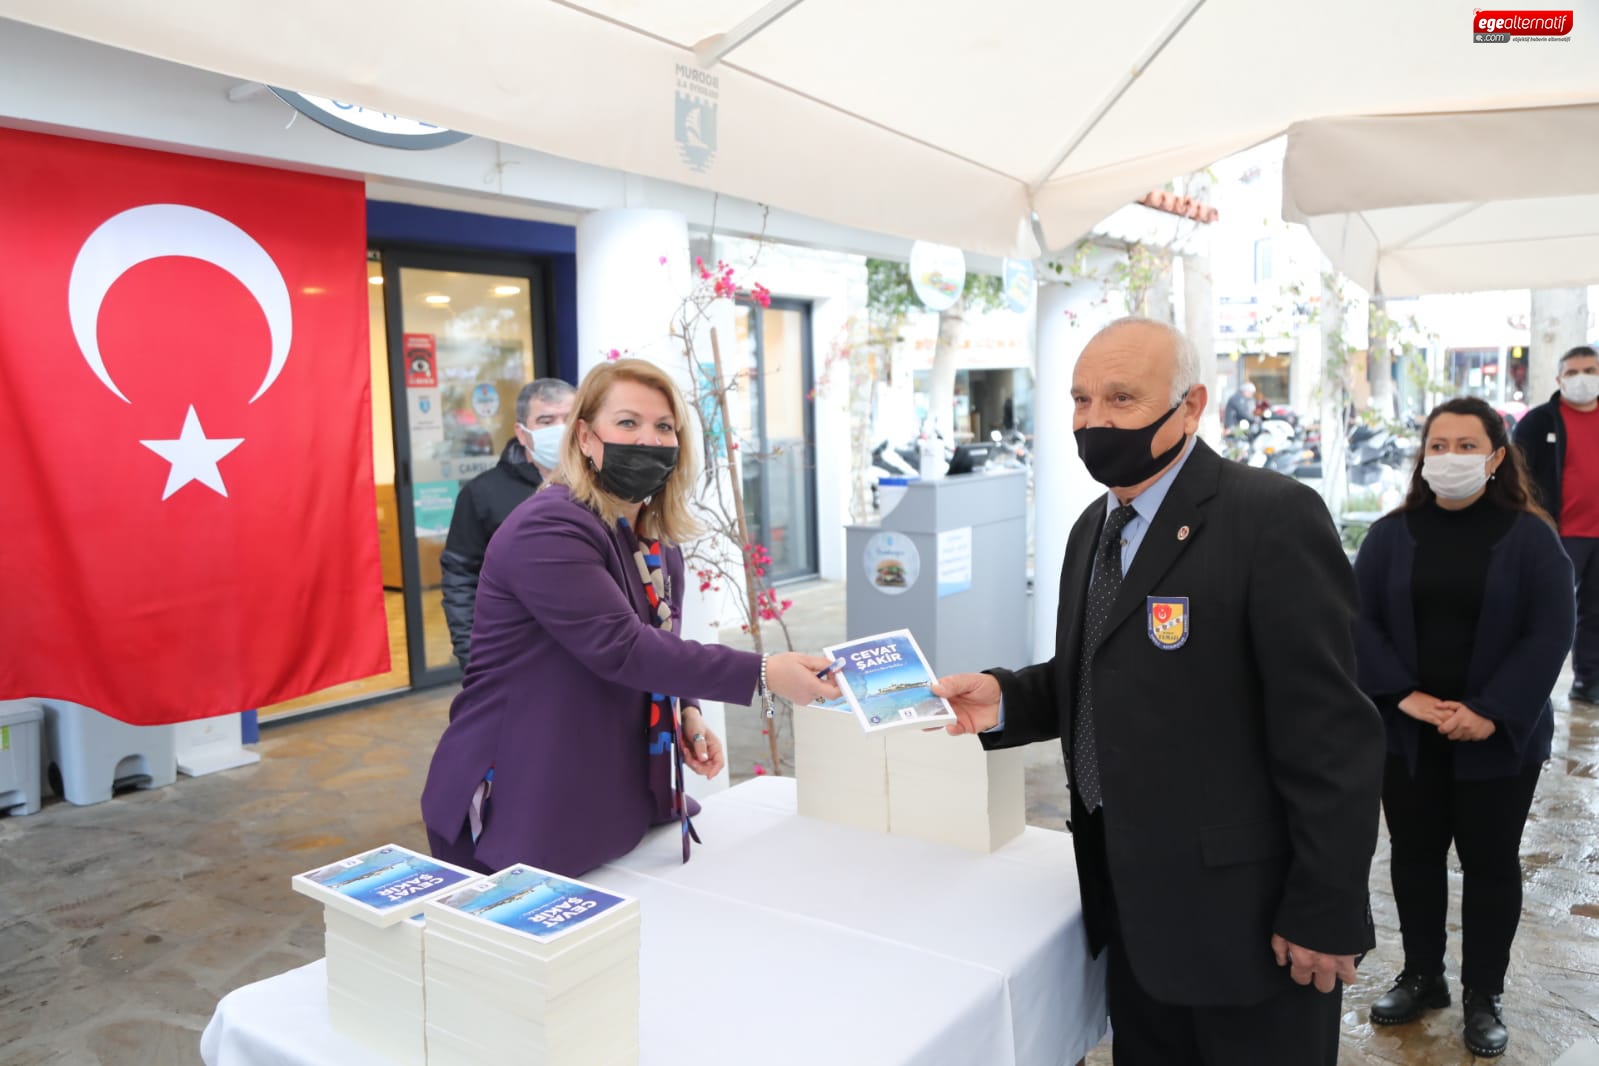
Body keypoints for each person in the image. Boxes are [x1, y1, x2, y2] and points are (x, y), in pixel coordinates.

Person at [933, 317, 1385, 1066]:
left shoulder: (1269, 517)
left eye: (1120, 398)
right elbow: (1099, 672)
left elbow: (1331, 734)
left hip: (1249, 925)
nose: (1093, 421)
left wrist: (1325, 906)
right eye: (1079, 400)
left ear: (1191, 405)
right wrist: (1008, 698)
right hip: (1131, 911)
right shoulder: (1092, 526)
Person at [421, 359, 839, 876]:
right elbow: (623, 647)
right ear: (586, 437)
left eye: (664, 427)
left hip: (610, 797)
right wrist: (763, 673)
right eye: (627, 423)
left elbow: (658, 637)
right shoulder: (548, 527)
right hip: (523, 792)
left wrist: (686, 710)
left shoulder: (648, 533)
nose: (648, 439)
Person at [1355, 397, 1574, 1059]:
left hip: (1500, 736)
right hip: (1409, 731)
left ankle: (1484, 992)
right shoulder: (1390, 534)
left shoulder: (1530, 537)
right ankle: (1422, 976)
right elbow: (1355, 619)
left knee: (1488, 863)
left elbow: (1548, 630)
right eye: (1437, 445)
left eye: (1464, 445)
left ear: (1496, 457)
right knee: (1414, 857)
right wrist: (1403, 696)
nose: (1448, 457)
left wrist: (1491, 709)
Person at [441, 378, 575, 671]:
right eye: (546, 420)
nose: (560, 430)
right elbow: (461, 578)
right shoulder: (482, 494)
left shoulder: (601, 490)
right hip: (514, 661)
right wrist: (472, 658)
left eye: (569, 419)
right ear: (522, 432)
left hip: (589, 657)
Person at [1513, 344, 1599, 703]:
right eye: (1574, 372)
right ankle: (1527, 683)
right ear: (1559, 379)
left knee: (1595, 612)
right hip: (1557, 533)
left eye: (1591, 371)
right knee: (1544, 612)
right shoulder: (1538, 422)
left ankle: (1588, 682)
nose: (1583, 379)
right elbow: (1515, 474)